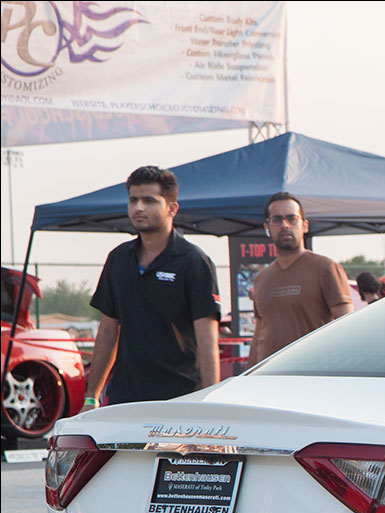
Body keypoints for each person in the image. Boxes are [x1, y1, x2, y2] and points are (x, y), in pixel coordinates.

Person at [86, 165, 221, 406]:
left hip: (179, 398)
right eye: (133, 200)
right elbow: (107, 331)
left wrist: (209, 403)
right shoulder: (118, 259)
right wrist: (91, 396)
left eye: (149, 201)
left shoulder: (194, 262)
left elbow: (207, 339)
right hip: (125, 398)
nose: (138, 208)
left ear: (172, 208)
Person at [247, 192, 353, 365]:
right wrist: (247, 378)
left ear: (305, 225)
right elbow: (259, 335)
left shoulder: (326, 268)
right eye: (277, 219)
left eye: (291, 218)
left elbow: (348, 328)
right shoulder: (261, 278)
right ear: (267, 227)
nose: (285, 225)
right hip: (267, 381)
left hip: (312, 378)